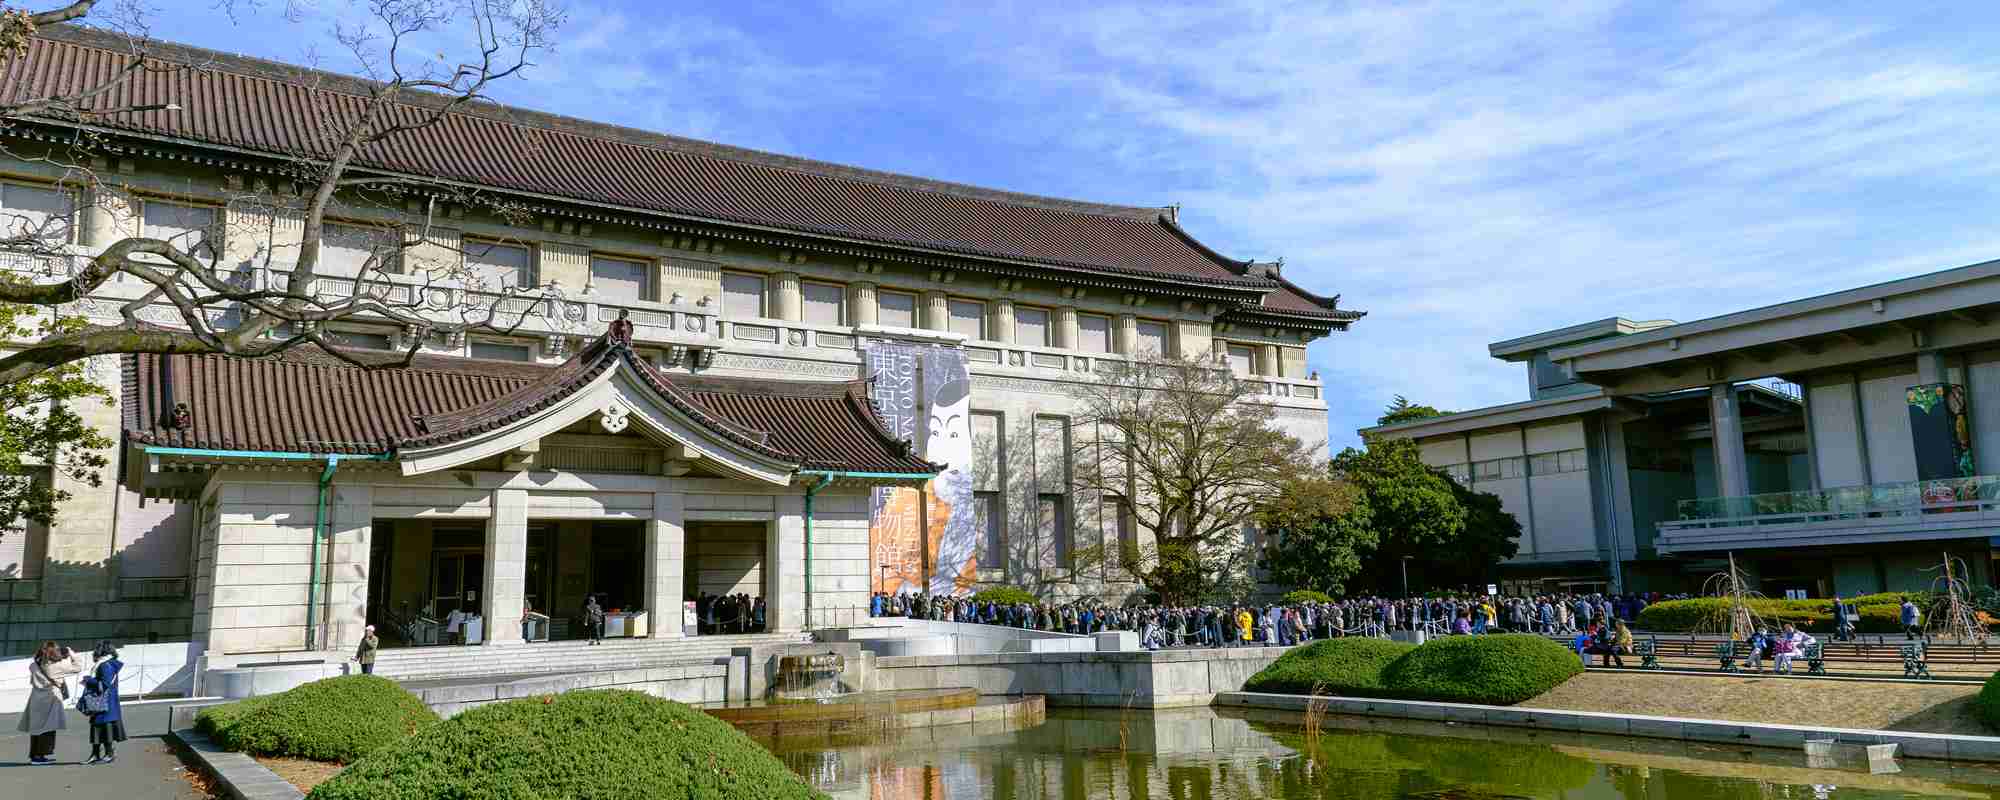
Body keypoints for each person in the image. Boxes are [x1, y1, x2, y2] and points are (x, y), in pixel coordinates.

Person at [19, 640, 87, 765]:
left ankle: (35, 756)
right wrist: (71, 653)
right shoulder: (56, 666)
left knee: (36, 729)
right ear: (54, 653)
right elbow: (77, 667)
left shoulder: (34, 665)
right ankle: (40, 757)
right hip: (50, 699)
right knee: (47, 728)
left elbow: (40, 662)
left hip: (36, 698)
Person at [82, 641, 125, 765]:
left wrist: (88, 680)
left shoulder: (105, 665)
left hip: (104, 701)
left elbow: (104, 684)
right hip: (107, 702)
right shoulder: (109, 663)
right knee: (101, 727)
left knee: (102, 727)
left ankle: (107, 753)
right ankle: (98, 754)